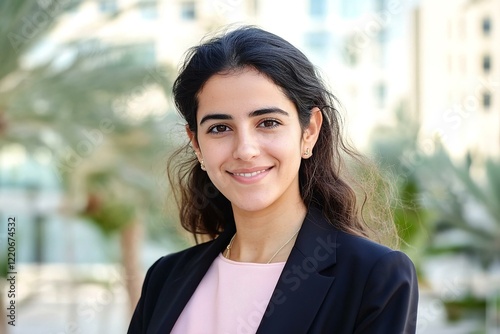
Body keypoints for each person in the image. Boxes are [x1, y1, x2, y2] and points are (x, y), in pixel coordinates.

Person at [128, 26, 418, 334]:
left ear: (309, 132)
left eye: (268, 123)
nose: (245, 150)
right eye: (219, 128)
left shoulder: (373, 277)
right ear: (196, 143)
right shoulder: (165, 278)